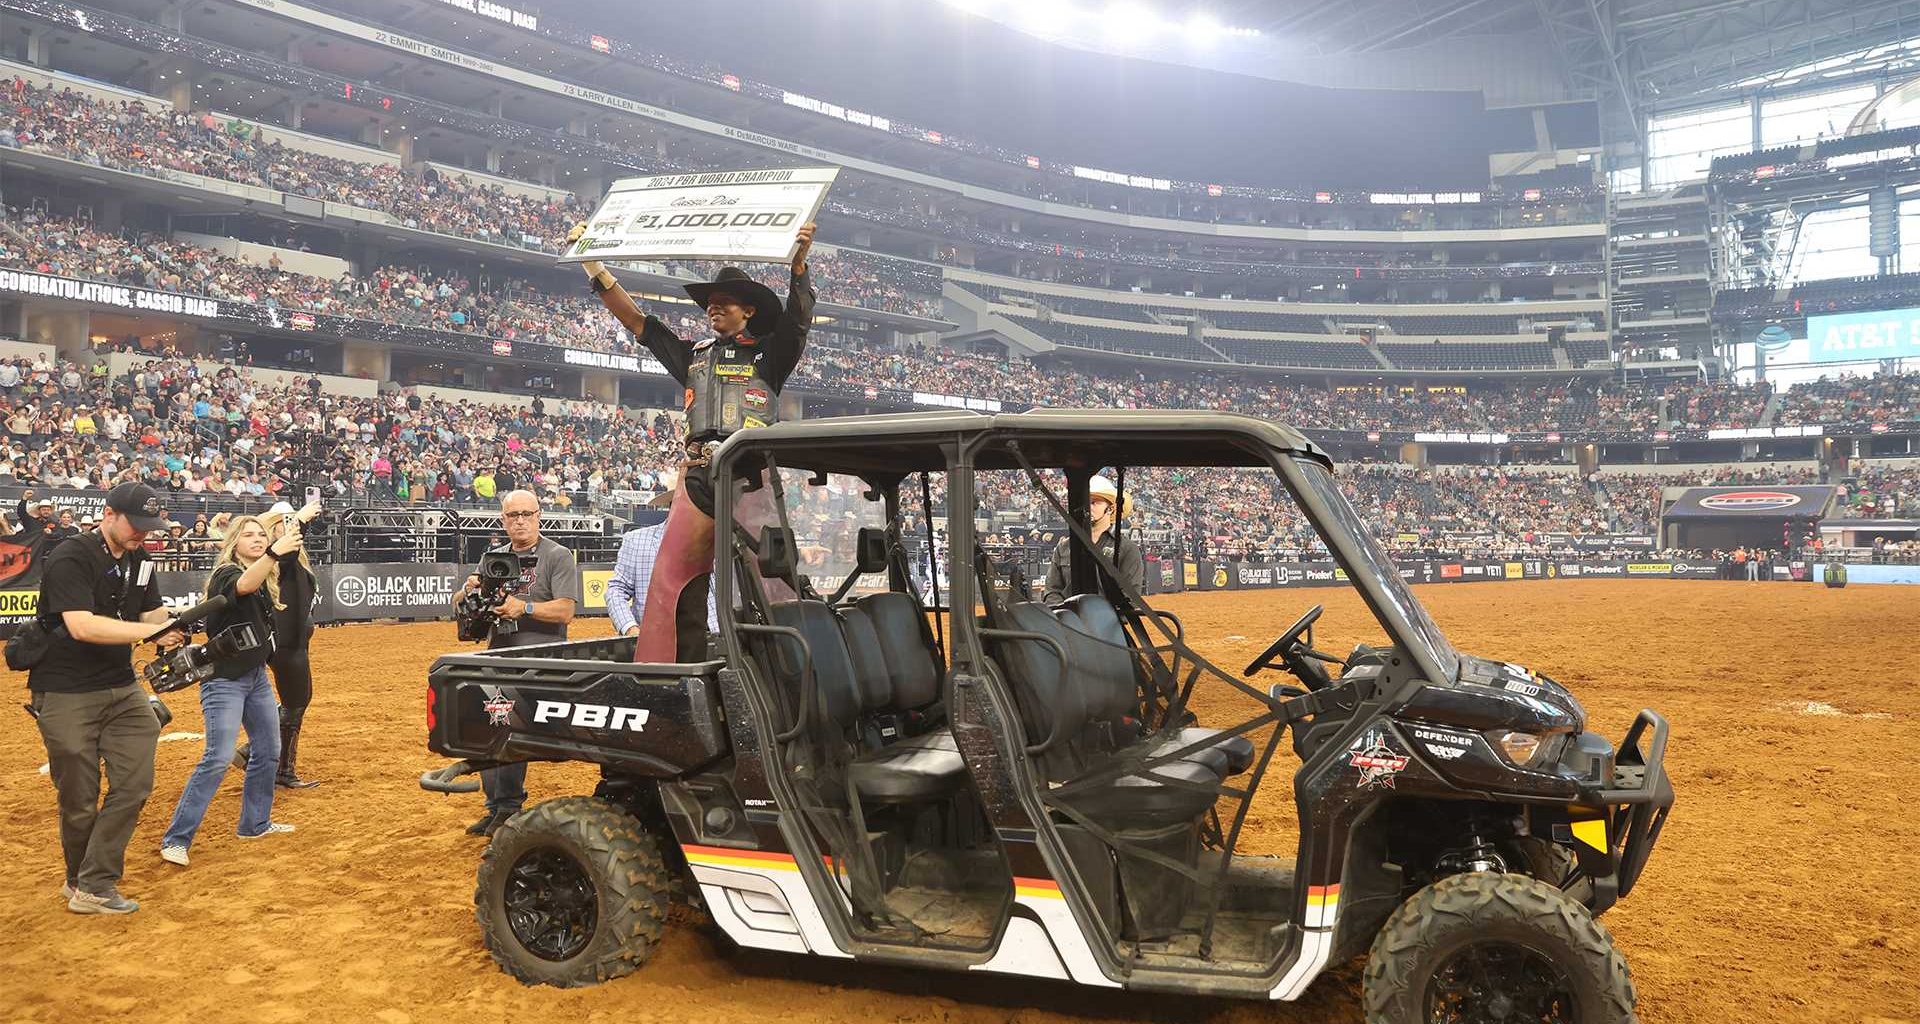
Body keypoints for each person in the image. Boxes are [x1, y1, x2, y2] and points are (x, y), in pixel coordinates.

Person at [566, 219, 815, 662]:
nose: (713, 309)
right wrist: (592, 264)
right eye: (710, 304)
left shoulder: (769, 353)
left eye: (724, 303)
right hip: (699, 474)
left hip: (752, 476)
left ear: (750, 311)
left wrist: (799, 267)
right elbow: (639, 323)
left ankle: (796, 670)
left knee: (776, 580)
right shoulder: (693, 356)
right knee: (676, 581)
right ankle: (681, 676)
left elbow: (797, 323)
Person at [29, 482, 181, 914]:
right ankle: (80, 881)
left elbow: (151, 613)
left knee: (134, 785)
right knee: (78, 797)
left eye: (149, 527)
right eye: (137, 525)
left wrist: (179, 621)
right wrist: (152, 631)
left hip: (122, 686)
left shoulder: (141, 559)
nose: (143, 535)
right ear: (109, 514)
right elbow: (82, 625)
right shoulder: (71, 555)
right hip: (65, 689)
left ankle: (94, 883)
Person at [158, 515, 304, 867]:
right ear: (233, 542)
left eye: (261, 535)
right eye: (249, 536)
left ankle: (255, 824)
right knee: (219, 756)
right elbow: (243, 586)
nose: (257, 540)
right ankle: (176, 839)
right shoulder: (228, 574)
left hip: (254, 677)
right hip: (224, 681)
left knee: (269, 750)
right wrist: (273, 551)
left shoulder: (265, 578)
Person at [455, 490, 580, 837]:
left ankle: (509, 806)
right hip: (498, 651)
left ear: (539, 515)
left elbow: (567, 611)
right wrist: (470, 591)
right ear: (503, 520)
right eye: (513, 516)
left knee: (510, 724)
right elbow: (460, 604)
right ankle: (495, 805)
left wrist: (522, 607)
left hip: (538, 654)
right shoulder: (492, 557)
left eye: (527, 513)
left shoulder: (557, 556)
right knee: (488, 724)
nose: (520, 520)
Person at [231, 500, 324, 787]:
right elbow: (290, 545)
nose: (288, 527)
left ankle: (255, 753)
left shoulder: (288, 560)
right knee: (295, 703)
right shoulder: (279, 557)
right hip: (287, 646)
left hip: (293, 644)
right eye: (283, 522)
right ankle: (280, 767)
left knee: (299, 700)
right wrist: (303, 518)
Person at [605, 520, 718, 639]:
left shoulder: (715, 540)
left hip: (710, 636)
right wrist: (630, 628)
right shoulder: (636, 540)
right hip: (656, 640)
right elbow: (616, 590)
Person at [1043, 475, 1144, 607]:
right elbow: (1052, 592)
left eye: (1095, 502)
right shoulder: (1063, 547)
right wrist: (1066, 617)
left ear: (1111, 509)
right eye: (1085, 502)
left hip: (1109, 625)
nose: (1087, 507)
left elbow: (1130, 598)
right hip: (1068, 623)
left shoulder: (1127, 549)